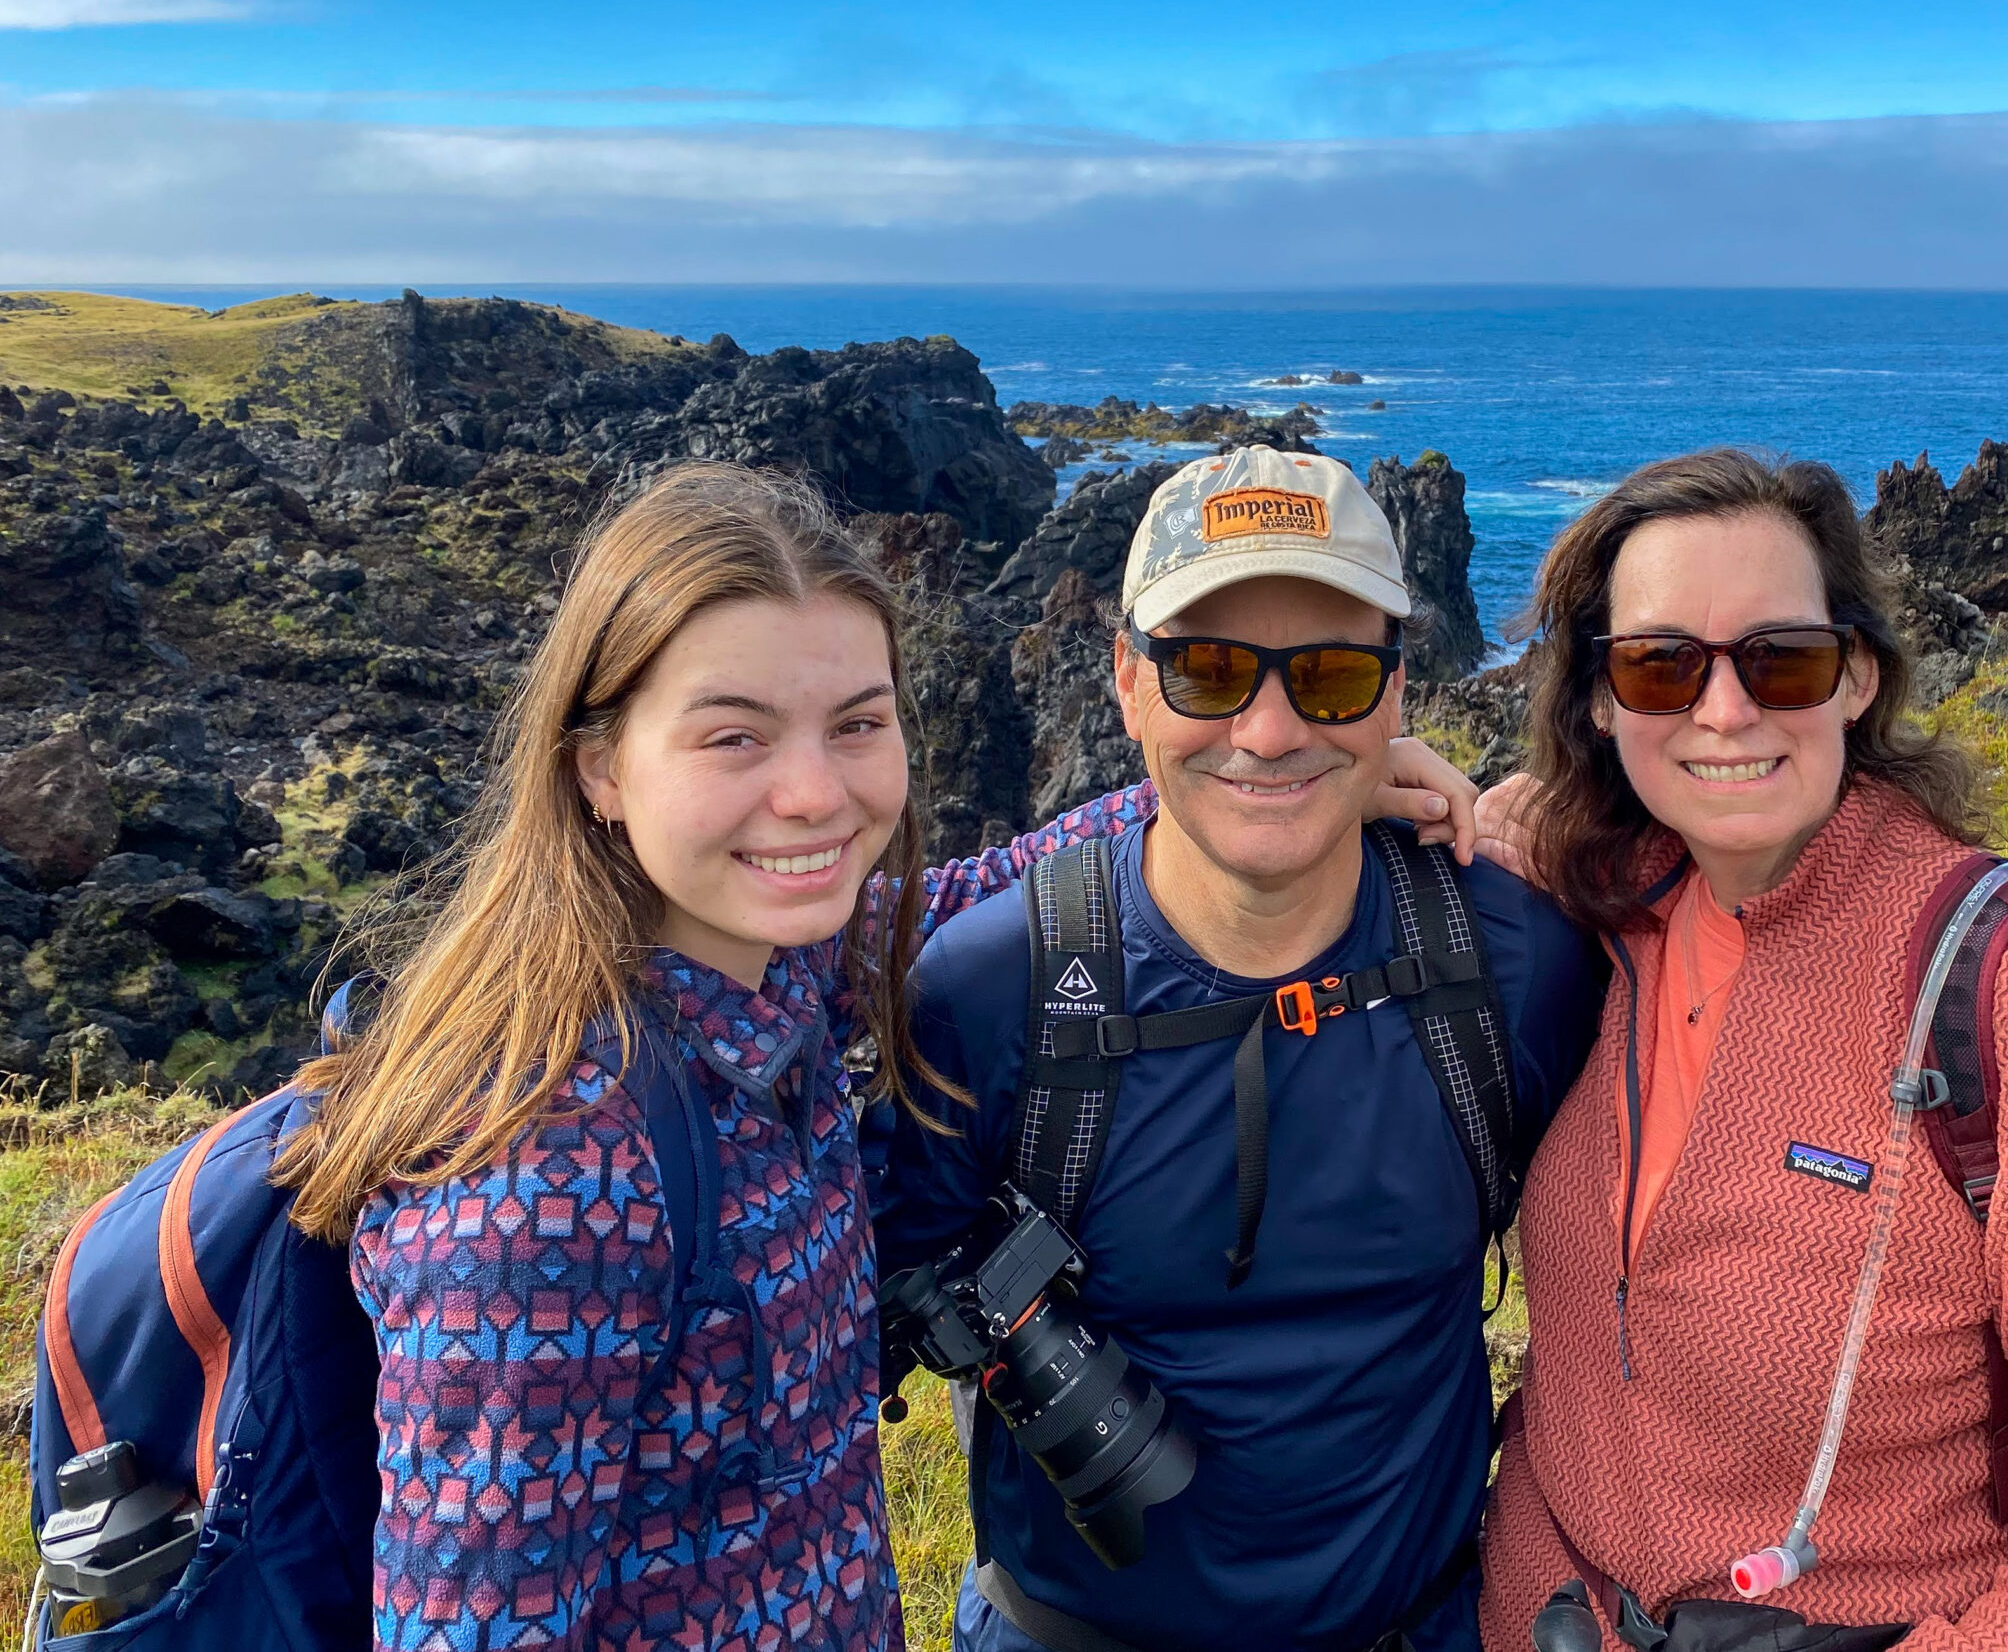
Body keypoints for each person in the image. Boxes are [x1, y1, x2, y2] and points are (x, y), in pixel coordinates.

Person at [269, 462, 1480, 1651]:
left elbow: (983, 889)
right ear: (599, 766)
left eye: (855, 724)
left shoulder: (776, 965)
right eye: (733, 737)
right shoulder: (547, 1177)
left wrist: (1285, 782)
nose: (813, 794)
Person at [1472, 450, 2008, 1651]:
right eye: (1661, 666)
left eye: (1780, 659)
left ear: (1857, 677)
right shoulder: (1586, 911)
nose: (1724, 712)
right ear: (1598, 701)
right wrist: (1381, 792)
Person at [877, 446, 1609, 1652]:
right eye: (1208, 672)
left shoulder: (1510, 960)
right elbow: (809, 1360)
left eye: (1331, 677)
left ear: (1396, 695)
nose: (1269, 731)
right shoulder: (990, 991)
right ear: (1127, 683)